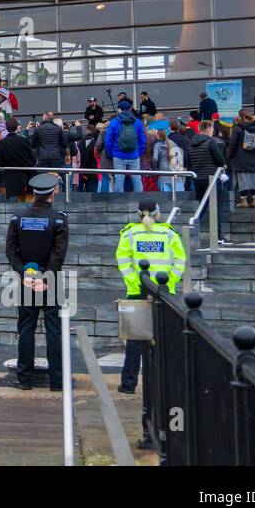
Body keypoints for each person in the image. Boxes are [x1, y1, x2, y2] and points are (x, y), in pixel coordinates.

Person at [4, 173, 68, 391]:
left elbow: (10, 251)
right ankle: (57, 381)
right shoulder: (58, 218)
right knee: (54, 330)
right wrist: (47, 276)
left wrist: (25, 274)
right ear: (53, 192)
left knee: (26, 330)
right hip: (51, 281)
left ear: (33, 193)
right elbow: (59, 254)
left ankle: (24, 380)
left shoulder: (18, 217)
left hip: (27, 280)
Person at [116, 199, 187, 395]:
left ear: (139, 214)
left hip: (136, 290)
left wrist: (135, 281)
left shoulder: (130, 233)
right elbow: (180, 260)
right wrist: (170, 281)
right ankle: (165, 383)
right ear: (158, 213)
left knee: (135, 339)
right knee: (164, 339)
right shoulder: (169, 233)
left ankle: (129, 384)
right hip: (164, 292)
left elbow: (123, 261)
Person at [104, 101, 145, 192]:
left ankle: (119, 202)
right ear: (130, 109)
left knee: (119, 179)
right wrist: (140, 152)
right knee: (137, 178)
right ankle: (139, 199)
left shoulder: (114, 122)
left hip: (118, 155)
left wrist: (110, 153)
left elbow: (108, 140)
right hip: (134, 154)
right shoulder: (137, 122)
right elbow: (142, 139)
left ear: (119, 110)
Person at [228, 110, 255, 208]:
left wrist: (230, 156)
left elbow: (232, 144)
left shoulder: (238, 128)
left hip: (241, 158)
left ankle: (244, 201)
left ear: (241, 117)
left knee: (243, 180)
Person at [0, 117, 38, 201]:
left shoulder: (0, 144)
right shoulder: (24, 141)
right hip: (27, 176)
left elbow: (0, 163)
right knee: (29, 202)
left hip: (11, 177)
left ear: (6, 128)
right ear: (17, 127)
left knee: (13, 205)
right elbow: (33, 158)